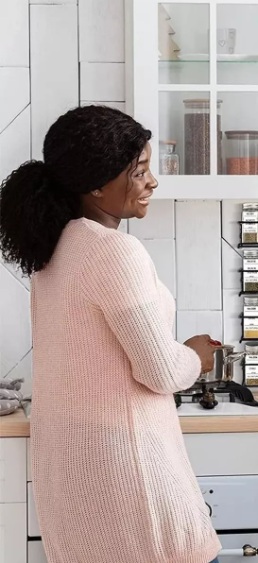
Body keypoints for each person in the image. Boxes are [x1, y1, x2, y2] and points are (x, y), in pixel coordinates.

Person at [0, 106, 222, 563]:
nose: (152, 181)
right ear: (96, 185)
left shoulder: (55, 250)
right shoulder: (114, 251)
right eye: (138, 171)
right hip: (128, 473)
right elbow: (159, 370)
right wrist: (196, 356)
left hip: (76, 477)